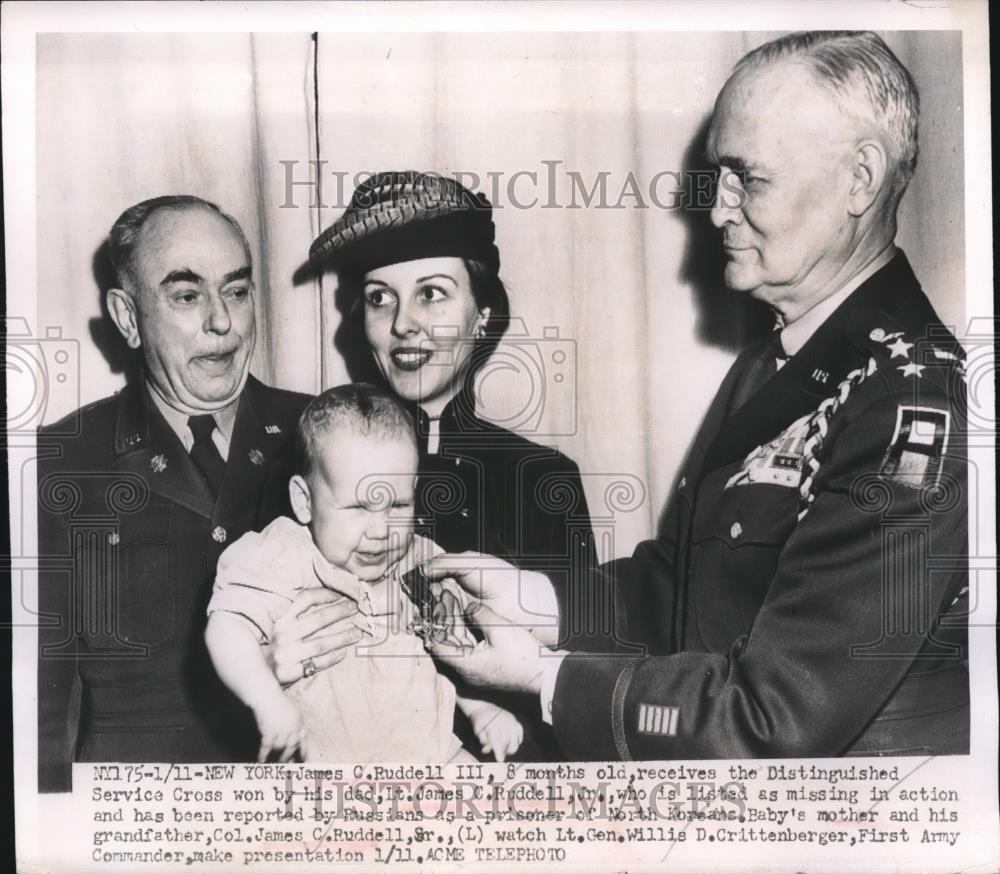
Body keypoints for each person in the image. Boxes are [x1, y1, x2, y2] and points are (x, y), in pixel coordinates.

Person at [424, 31, 970, 759]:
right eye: (719, 177)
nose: (718, 210)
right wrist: (536, 601)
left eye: (751, 179)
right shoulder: (774, 362)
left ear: (860, 179)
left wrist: (545, 677)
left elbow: (775, 720)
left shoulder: (913, 404)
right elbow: (680, 589)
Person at [35, 196, 357, 792]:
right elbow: (40, 719)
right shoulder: (57, 463)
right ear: (128, 318)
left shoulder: (329, 433)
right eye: (187, 296)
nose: (222, 323)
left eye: (236, 291)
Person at [307, 172, 600, 759]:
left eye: (432, 293)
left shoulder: (545, 480)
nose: (402, 323)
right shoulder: (317, 462)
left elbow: (580, 674)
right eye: (379, 297)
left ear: (483, 314)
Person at [204, 384, 550, 763]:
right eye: (357, 507)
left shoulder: (418, 559)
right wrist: (266, 699)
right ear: (305, 501)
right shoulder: (281, 553)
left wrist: (481, 708)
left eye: (398, 505)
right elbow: (226, 628)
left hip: (437, 757)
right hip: (335, 778)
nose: (380, 529)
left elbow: (450, 649)